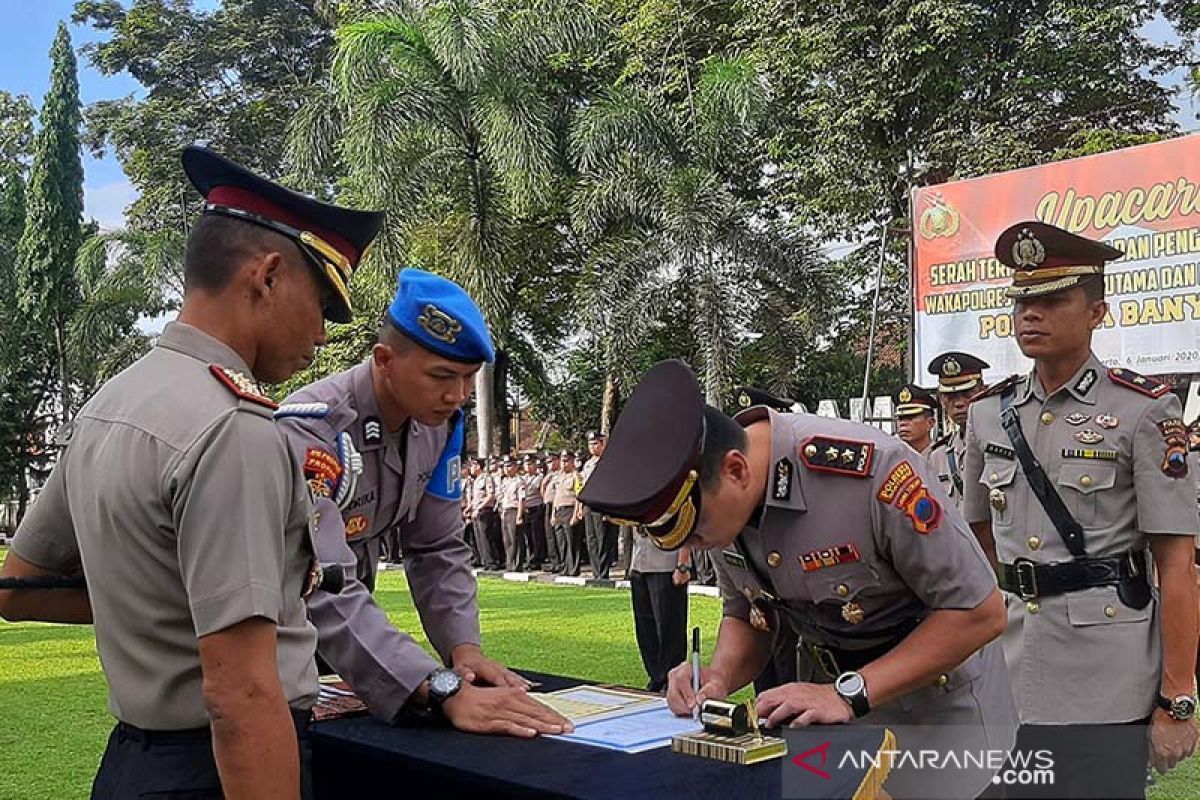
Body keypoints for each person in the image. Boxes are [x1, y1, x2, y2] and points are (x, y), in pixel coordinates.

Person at [0, 145, 383, 797]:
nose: (322, 335)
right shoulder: (233, 427)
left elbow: (17, 589)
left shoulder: (109, 405)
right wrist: (202, 621)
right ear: (265, 276)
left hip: (130, 768)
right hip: (213, 772)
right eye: (323, 304)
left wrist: (156, 606)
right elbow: (241, 692)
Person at [580, 360, 1017, 799]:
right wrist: (717, 674)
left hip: (935, 718)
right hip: (826, 721)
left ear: (736, 470)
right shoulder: (722, 504)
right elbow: (750, 614)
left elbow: (979, 612)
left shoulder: (872, 472)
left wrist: (848, 694)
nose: (695, 546)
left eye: (695, 530)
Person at [275, 268, 570, 738]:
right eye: (442, 376)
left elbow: (437, 547)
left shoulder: (441, 426)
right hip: (281, 639)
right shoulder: (315, 430)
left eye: (468, 379)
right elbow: (320, 584)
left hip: (355, 633)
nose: (456, 397)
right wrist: (441, 688)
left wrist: (463, 650)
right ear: (385, 359)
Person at [961, 221, 1199, 798]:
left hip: (1105, 680)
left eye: (1051, 299)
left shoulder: (1143, 412)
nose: (1030, 315)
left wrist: (1177, 698)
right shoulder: (989, 414)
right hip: (1007, 670)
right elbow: (978, 541)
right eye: (1022, 301)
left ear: (1097, 312)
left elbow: (1178, 567)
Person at [629, 526, 693, 692]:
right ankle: (656, 677)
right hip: (639, 562)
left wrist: (683, 565)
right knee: (644, 627)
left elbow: (686, 528)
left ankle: (671, 679)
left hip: (666, 565)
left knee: (670, 627)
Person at [926, 352, 990, 508]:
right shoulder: (938, 456)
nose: (959, 403)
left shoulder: (1002, 444)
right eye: (950, 396)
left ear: (983, 392)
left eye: (967, 394)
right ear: (941, 400)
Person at [575, 431, 618, 579]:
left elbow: (611, 487)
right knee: (591, 539)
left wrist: (609, 510)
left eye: (595, 444)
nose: (592, 447)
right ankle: (596, 572)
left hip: (602, 505)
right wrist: (580, 507)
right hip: (589, 505)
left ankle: (603, 573)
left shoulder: (609, 462)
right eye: (590, 444)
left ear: (602, 444)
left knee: (602, 540)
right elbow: (582, 487)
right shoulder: (588, 464)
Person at [551, 451, 585, 576]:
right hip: (559, 510)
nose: (563, 464)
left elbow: (578, 496)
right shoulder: (559, 476)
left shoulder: (576, 476)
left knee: (572, 541)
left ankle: (574, 568)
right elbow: (556, 496)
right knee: (561, 542)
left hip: (570, 509)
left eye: (566, 461)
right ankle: (565, 567)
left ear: (572, 462)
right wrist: (553, 514)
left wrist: (576, 514)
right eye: (562, 461)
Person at [467, 458, 502, 570]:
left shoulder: (486, 478)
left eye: (472, 465)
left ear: (478, 466)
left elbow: (490, 495)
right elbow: (475, 497)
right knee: (479, 538)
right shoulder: (476, 480)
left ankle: (492, 561)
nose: (470, 468)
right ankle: (485, 561)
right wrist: (470, 508)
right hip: (476, 511)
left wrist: (479, 508)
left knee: (486, 536)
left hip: (484, 510)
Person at [892, 383, 938, 457]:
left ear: (930, 423)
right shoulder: (893, 458)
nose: (903, 423)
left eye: (910, 418)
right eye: (901, 418)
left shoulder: (942, 457)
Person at [521, 454, 547, 570]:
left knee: (537, 535)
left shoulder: (539, 477)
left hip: (536, 508)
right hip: (525, 509)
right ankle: (530, 557)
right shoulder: (522, 478)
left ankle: (538, 558)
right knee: (528, 536)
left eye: (530, 464)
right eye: (526, 464)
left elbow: (538, 490)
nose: (528, 466)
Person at [540, 453, 563, 572]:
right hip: (548, 505)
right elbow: (543, 493)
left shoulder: (560, 474)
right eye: (548, 462)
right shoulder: (548, 476)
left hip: (557, 506)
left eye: (552, 461)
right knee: (549, 535)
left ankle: (561, 561)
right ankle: (554, 561)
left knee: (558, 535)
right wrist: (544, 483)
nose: (550, 464)